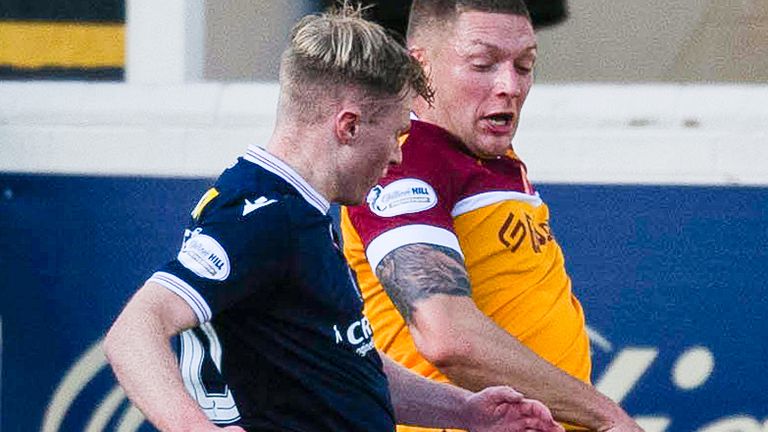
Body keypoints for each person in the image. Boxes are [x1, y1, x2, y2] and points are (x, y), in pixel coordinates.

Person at [102, 5, 564, 432]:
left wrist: (463, 410)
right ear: (349, 126)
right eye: (398, 132)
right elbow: (132, 332)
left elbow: (344, 355)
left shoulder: (303, 211)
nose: (399, 153)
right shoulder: (262, 214)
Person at [340, 1, 645, 431]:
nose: (510, 86)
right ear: (417, 67)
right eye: (483, 64)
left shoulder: (489, 155)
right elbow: (447, 336)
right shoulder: (402, 158)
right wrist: (604, 413)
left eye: (525, 65)